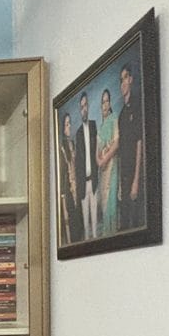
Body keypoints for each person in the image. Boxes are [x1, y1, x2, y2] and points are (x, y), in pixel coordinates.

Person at [117, 63, 144, 230]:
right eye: (121, 80)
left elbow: (139, 143)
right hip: (124, 176)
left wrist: (136, 180)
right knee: (124, 223)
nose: (123, 83)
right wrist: (121, 183)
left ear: (131, 79)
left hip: (135, 174)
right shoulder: (121, 115)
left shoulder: (137, 106)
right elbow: (121, 150)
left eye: (125, 78)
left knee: (135, 222)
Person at [74, 92, 100, 240]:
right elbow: (78, 163)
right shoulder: (78, 133)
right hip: (83, 183)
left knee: (95, 218)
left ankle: (96, 239)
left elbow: (97, 150)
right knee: (86, 222)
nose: (84, 109)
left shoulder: (94, 126)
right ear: (80, 110)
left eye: (85, 105)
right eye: (81, 107)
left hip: (93, 179)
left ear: (88, 107)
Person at [96, 88, 120, 236]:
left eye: (107, 101)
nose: (105, 105)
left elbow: (116, 143)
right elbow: (97, 152)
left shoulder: (114, 118)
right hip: (102, 171)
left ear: (110, 103)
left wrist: (104, 159)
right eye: (103, 102)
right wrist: (100, 161)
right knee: (104, 204)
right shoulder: (100, 127)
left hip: (112, 167)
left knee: (111, 203)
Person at [58, 113, 83, 244]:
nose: (69, 127)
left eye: (70, 124)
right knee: (71, 216)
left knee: (79, 214)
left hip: (77, 184)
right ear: (62, 128)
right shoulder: (61, 147)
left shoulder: (73, 144)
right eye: (66, 124)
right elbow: (63, 170)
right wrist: (63, 192)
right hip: (68, 186)